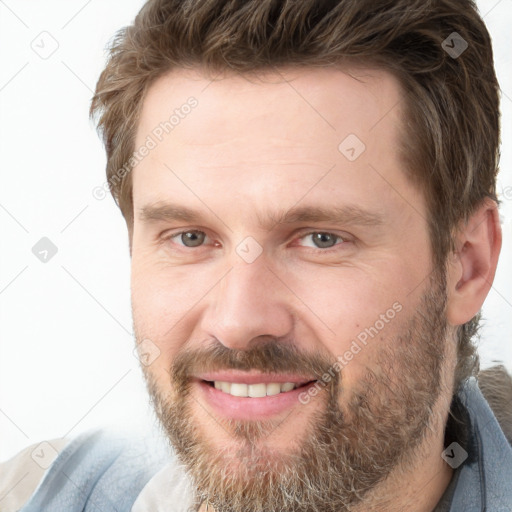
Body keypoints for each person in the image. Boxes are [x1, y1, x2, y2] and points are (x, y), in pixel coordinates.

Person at [1, 0, 511, 510]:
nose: (238, 322)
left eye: (320, 239)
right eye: (191, 238)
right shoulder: (29, 493)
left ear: (467, 266)